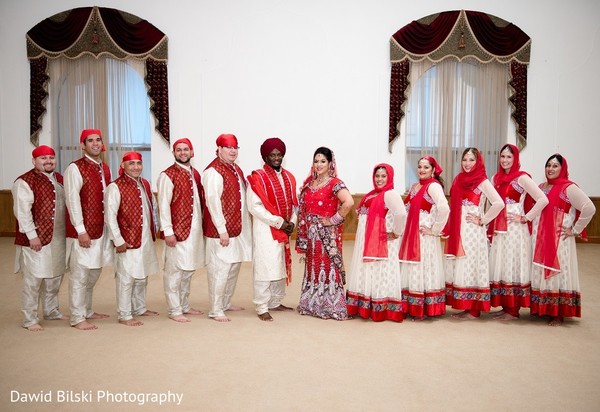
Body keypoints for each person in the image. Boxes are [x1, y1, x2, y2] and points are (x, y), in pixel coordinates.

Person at [530, 154, 595, 326]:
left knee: (558, 272)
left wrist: (575, 230)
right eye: (548, 165)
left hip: (560, 241)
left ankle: (557, 313)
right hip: (541, 238)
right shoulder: (541, 187)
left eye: (555, 166)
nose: (550, 169)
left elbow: (589, 207)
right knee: (541, 271)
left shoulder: (569, 188)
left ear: (563, 168)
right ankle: (543, 308)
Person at [488, 144, 548, 320]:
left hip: (515, 230)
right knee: (502, 265)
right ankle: (506, 306)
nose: (505, 160)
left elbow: (542, 199)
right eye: (502, 156)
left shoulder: (522, 178)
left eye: (509, 157)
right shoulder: (495, 178)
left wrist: (526, 217)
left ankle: (513, 310)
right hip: (500, 230)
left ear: (515, 159)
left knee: (513, 264)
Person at [443, 147, 504, 320]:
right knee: (461, 265)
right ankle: (465, 306)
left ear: (478, 162)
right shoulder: (458, 179)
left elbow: (498, 203)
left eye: (471, 160)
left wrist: (483, 220)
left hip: (472, 231)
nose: (467, 163)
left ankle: (474, 309)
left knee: (470, 265)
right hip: (458, 228)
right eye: (465, 159)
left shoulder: (482, 181)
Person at [295, 146, 354, 320]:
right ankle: (312, 304)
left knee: (327, 267)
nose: (319, 165)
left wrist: (333, 220)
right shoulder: (309, 184)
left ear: (330, 164)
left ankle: (332, 305)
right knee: (314, 266)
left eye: (323, 161)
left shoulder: (335, 183)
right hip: (312, 237)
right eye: (316, 161)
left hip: (327, 236)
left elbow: (349, 202)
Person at [12, 145, 66, 331]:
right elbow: (22, 212)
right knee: (33, 280)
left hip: (58, 238)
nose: (48, 161)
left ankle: (51, 311)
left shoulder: (59, 179)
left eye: (51, 158)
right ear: (34, 160)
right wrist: (32, 236)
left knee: (54, 277)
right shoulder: (24, 181)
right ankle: (30, 319)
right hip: (35, 240)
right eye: (43, 158)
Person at [64, 129, 113, 330]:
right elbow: (72, 201)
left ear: (103, 145)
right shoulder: (75, 168)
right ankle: (77, 317)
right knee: (80, 274)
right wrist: (80, 230)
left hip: (101, 229)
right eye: (90, 141)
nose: (95, 143)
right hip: (82, 232)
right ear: (82, 145)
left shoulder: (105, 168)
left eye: (98, 140)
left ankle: (87, 310)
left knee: (94, 272)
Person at [105, 152, 160, 326]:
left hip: (144, 237)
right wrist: (118, 240)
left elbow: (153, 209)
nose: (136, 167)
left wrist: (155, 230)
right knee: (126, 276)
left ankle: (139, 307)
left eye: (138, 163)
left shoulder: (144, 183)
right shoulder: (115, 186)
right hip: (126, 239)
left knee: (142, 274)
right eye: (131, 164)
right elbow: (110, 216)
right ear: (123, 165)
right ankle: (124, 314)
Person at [247, 138, 298, 321]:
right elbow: (254, 207)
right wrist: (278, 222)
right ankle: (261, 306)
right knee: (265, 266)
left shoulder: (289, 177)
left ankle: (275, 302)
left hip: (283, 231)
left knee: (280, 266)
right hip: (265, 231)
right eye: (272, 155)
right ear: (265, 157)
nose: (276, 158)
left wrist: (291, 221)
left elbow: (294, 203)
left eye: (279, 154)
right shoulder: (257, 177)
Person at [202, 134, 252, 322]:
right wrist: (222, 229)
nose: (233, 150)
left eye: (235, 147)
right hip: (221, 231)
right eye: (228, 147)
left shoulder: (235, 168)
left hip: (237, 229)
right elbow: (213, 202)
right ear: (219, 149)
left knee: (233, 268)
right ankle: (215, 309)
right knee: (219, 270)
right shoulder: (213, 172)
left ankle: (225, 302)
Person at [346, 163, 405, 322]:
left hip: (380, 242)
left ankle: (380, 307)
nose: (379, 179)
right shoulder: (371, 194)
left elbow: (401, 214)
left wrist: (396, 232)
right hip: (366, 240)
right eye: (377, 176)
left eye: (383, 176)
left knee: (379, 271)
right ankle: (365, 305)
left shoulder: (390, 194)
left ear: (390, 177)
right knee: (366, 270)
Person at [157, 138, 206, 323]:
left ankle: (184, 304)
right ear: (174, 153)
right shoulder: (167, 175)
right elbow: (164, 205)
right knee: (174, 271)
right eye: (179, 150)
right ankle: (174, 309)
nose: (183, 152)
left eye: (186, 149)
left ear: (192, 152)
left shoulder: (195, 173)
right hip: (177, 232)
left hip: (193, 232)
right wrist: (168, 231)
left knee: (188, 270)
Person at [399, 156, 450, 321]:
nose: (422, 170)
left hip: (424, 238)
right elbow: (404, 209)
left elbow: (444, 209)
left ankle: (422, 308)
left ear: (433, 170)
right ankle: (411, 305)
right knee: (411, 268)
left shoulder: (434, 186)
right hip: (411, 235)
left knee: (423, 268)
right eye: (419, 167)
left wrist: (434, 230)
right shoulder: (414, 187)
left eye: (426, 167)